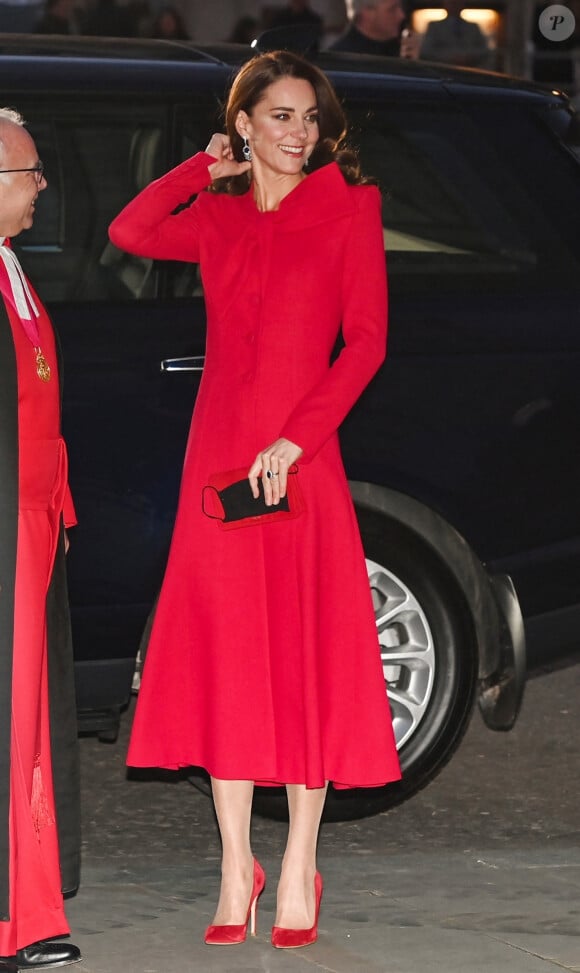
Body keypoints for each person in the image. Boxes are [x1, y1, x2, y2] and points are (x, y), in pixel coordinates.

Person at [109, 49, 401, 949]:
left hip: (299, 462)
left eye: (310, 118)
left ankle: (303, 856)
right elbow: (128, 230)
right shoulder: (217, 214)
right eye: (280, 116)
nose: (299, 134)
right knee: (228, 660)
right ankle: (238, 860)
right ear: (244, 123)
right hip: (220, 464)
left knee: (301, 655)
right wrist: (205, 167)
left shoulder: (349, 207)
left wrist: (297, 437)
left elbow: (365, 344)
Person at [0, 110, 81, 970]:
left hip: (33, 521)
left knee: (28, 727)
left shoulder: (12, 267)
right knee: (7, 722)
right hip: (4, 527)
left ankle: (30, 914)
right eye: (27, 173)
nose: (41, 186)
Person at [331, 0, 419, 58]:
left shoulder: (405, 49)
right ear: (368, 14)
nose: (401, 16)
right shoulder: (341, 59)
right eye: (392, 9)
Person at [420, 0, 490, 68]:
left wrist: (466, 57)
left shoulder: (473, 27)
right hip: (443, 71)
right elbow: (426, 51)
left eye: (458, 2)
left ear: (463, 4)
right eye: (451, 2)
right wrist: (450, 57)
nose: (455, 5)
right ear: (445, 4)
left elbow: (484, 50)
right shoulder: (434, 26)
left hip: (469, 72)